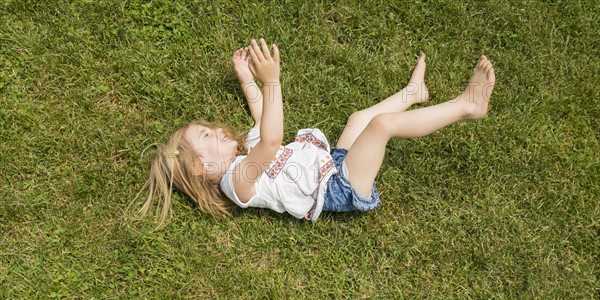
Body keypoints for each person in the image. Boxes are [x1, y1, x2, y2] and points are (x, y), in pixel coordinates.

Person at [135, 38, 495, 227]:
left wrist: (247, 78)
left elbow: (263, 118)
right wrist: (271, 80)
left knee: (358, 120)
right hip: (338, 188)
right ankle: (468, 105)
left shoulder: (245, 157)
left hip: (332, 163)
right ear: (200, 168)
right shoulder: (237, 180)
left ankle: (414, 95)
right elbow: (273, 138)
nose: (216, 131)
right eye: (207, 138)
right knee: (382, 127)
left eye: (208, 129)